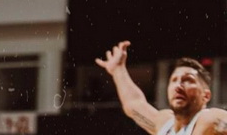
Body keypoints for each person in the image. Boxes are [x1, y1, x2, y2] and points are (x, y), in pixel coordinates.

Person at [96, 41, 227, 135]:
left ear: (206, 96)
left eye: (188, 80)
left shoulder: (211, 120)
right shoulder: (164, 124)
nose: (179, 85)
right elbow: (133, 105)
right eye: (174, 80)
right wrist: (118, 70)